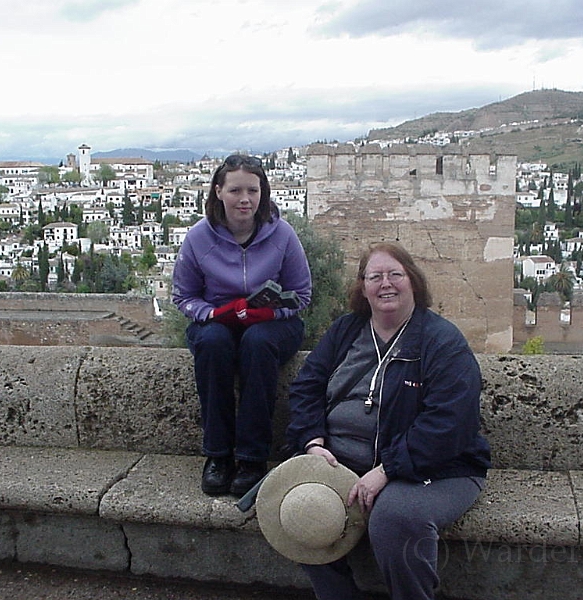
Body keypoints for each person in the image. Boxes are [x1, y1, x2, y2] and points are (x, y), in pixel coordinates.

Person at [285, 242, 490, 600]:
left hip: (435, 468)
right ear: (363, 287)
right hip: (341, 461)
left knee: (396, 518)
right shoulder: (346, 331)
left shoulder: (441, 342)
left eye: (395, 274)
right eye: (375, 276)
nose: (386, 284)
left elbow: (449, 423)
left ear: (413, 281)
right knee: (302, 505)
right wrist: (312, 442)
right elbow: (307, 386)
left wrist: (387, 469)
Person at [173, 154, 311, 497]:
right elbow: (183, 297)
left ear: (264, 192)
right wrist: (215, 313)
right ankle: (218, 456)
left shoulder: (282, 235)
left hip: (273, 325)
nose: (245, 199)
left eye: (253, 189)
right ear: (218, 191)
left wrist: (266, 313)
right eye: (236, 190)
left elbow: (302, 295)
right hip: (218, 322)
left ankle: (252, 458)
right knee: (214, 344)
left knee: (258, 343)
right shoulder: (198, 238)